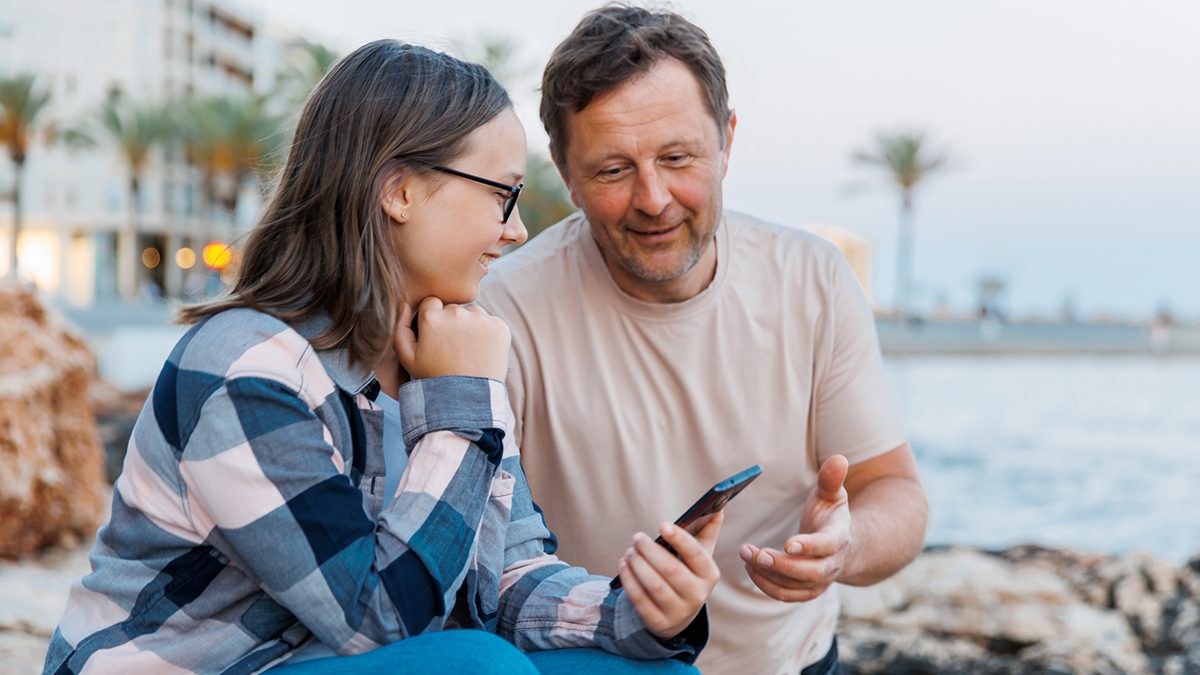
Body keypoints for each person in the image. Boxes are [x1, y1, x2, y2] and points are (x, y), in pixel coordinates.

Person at [43, 40, 721, 675]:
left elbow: (504, 574)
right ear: (398, 191)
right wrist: (460, 401)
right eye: (501, 193)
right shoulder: (247, 368)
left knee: (656, 667)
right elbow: (378, 613)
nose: (515, 229)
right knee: (481, 667)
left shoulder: (456, 347)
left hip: (331, 658)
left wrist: (637, 610)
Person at [475, 7, 930, 675]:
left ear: (727, 141)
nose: (654, 198)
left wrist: (846, 543)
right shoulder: (499, 311)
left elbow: (895, 490)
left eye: (678, 157)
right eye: (612, 170)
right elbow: (477, 560)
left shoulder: (812, 278)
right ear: (565, 172)